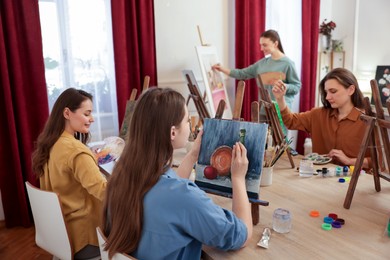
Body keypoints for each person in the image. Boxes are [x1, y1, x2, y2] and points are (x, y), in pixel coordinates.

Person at [102, 87, 253, 259]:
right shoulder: (184, 196)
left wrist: (192, 155)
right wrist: (238, 178)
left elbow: (168, 194)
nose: (191, 126)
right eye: (188, 121)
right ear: (173, 132)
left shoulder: (123, 175)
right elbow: (241, 235)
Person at [32, 88, 107, 259]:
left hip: (60, 235)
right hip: (85, 237)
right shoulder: (77, 152)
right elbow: (103, 191)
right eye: (87, 113)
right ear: (67, 113)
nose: (92, 119)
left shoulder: (50, 143)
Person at [272, 68, 370, 168]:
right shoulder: (318, 114)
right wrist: (280, 98)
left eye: (333, 91)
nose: (327, 97)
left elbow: (381, 161)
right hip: (321, 178)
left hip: (356, 180)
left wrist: (349, 161)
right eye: (326, 92)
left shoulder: (368, 121)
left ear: (351, 90)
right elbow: (290, 121)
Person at [212, 29, 301, 110]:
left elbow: (297, 86)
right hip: (264, 112)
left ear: (275, 44)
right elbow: (242, 73)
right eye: (261, 45)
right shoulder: (261, 64)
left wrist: (284, 86)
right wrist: (222, 69)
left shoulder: (288, 64)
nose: (261, 49)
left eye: (265, 45)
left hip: (282, 112)